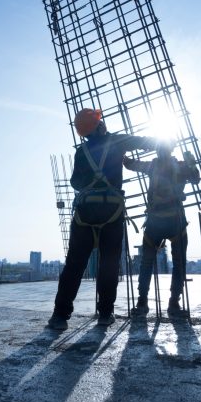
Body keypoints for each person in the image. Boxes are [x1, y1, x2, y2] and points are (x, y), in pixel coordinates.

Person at [47, 109, 155, 330]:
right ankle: (105, 313)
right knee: (109, 265)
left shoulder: (81, 151)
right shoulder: (117, 141)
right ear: (99, 124)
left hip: (85, 215)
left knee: (74, 266)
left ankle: (59, 316)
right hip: (111, 213)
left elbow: (75, 183)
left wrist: (92, 181)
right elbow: (146, 142)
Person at [124, 140, 200, 317]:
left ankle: (142, 302)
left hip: (156, 222)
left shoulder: (152, 166)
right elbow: (196, 179)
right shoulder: (180, 166)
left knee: (146, 263)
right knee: (178, 263)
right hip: (175, 221)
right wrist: (191, 162)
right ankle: (174, 303)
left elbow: (130, 165)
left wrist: (119, 151)